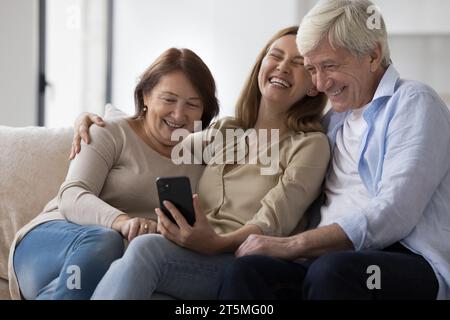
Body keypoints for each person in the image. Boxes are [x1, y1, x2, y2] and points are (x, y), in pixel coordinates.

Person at [72, 26, 330, 300]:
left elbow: (274, 220)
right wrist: (98, 125)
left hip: (240, 262)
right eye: (275, 56)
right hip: (189, 253)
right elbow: (160, 138)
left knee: (147, 250)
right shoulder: (226, 131)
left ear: (315, 85)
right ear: (260, 66)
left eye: (298, 63)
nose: (283, 67)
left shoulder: (310, 145)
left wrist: (217, 243)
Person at [218, 0, 450, 300]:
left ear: (373, 54)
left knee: (332, 271)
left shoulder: (414, 101)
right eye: (312, 69)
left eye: (329, 66)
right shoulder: (332, 120)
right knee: (246, 270)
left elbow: (395, 212)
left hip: (404, 260)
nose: (320, 83)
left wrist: (294, 245)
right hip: (324, 259)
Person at [8, 47, 219, 300]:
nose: (178, 114)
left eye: (192, 105)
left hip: (103, 269)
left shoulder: (204, 153)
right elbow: (72, 194)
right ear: (146, 95)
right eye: (169, 99)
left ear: (203, 112)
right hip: (53, 244)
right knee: (105, 241)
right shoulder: (109, 132)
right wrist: (122, 222)